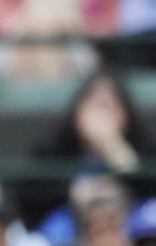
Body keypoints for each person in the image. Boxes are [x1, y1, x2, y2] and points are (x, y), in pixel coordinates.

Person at [24, 70, 151, 230]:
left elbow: (148, 192)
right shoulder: (52, 151)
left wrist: (113, 147)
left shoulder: (146, 149)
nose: (102, 117)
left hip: (130, 232)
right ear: (77, 112)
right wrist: (71, 192)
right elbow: (31, 205)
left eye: (110, 107)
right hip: (71, 231)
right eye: (96, 106)